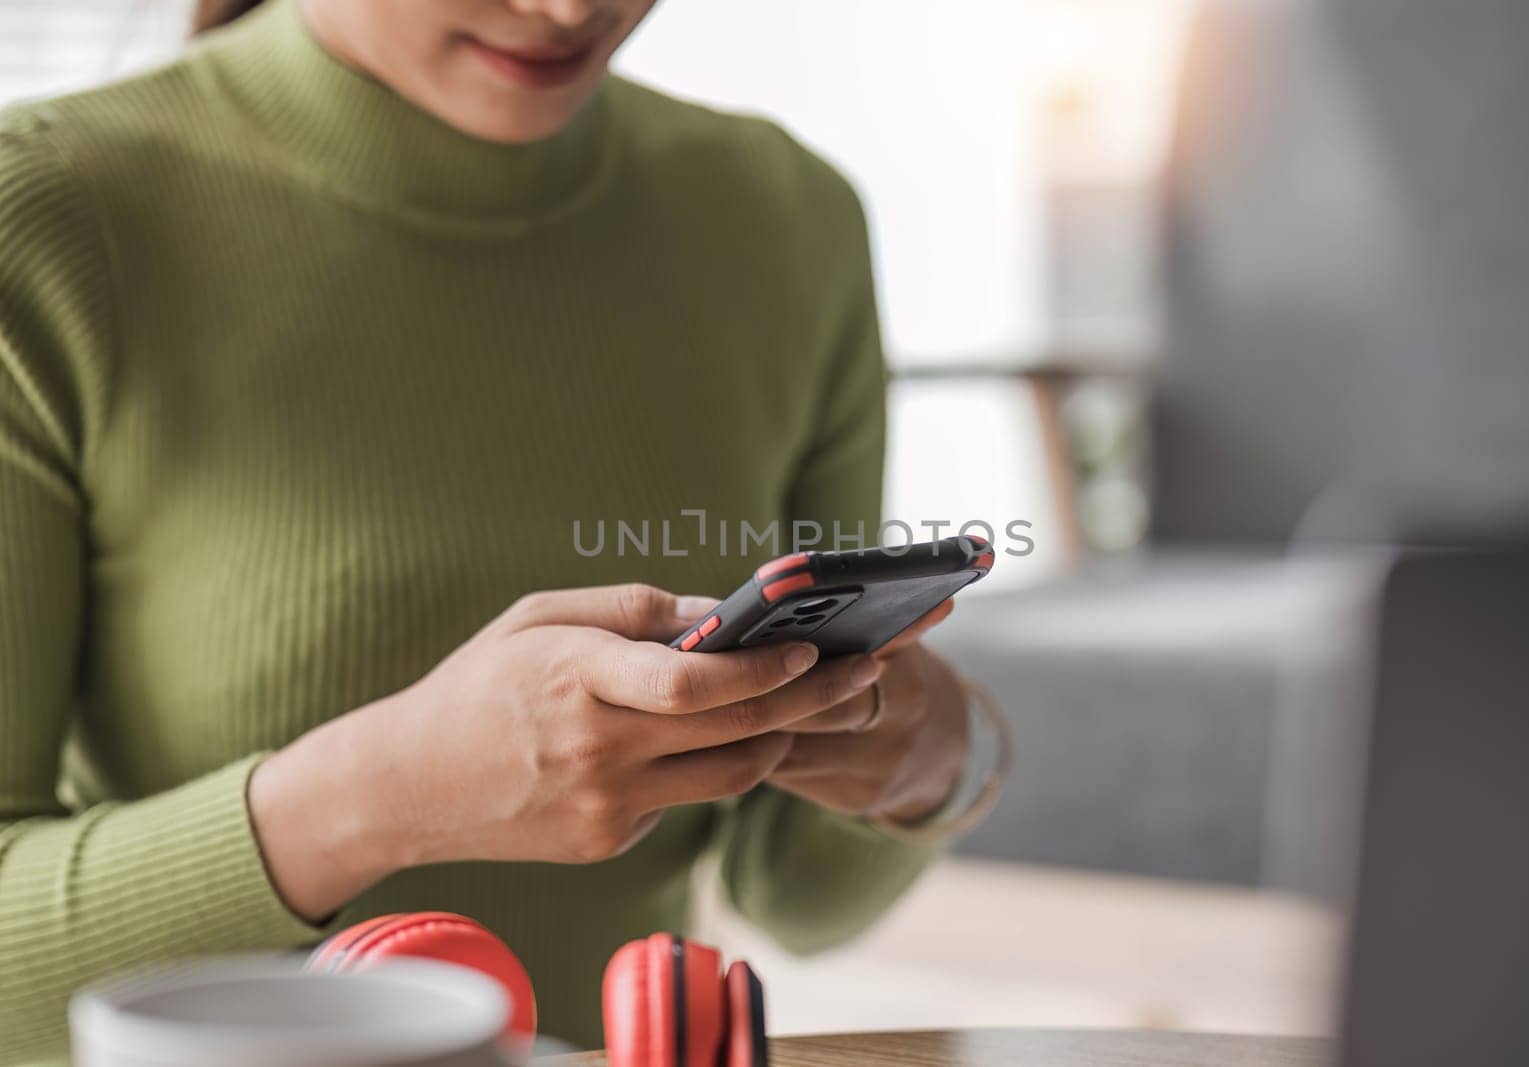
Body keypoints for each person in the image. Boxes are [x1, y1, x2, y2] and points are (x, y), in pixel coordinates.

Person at [0, 0, 987, 1060]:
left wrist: (935, 762)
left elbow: (797, 893)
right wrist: (380, 799)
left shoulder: (787, 218)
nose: (570, 9)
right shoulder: (48, 218)